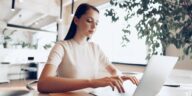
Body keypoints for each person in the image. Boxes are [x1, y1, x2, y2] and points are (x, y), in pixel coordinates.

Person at [38, 3, 139, 93]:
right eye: (89, 20)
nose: (94, 26)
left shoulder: (95, 48)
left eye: (97, 23)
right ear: (76, 20)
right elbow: (43, 83)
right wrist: (91, 82)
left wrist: (117, 77)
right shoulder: (61, 47)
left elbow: (113, 71)